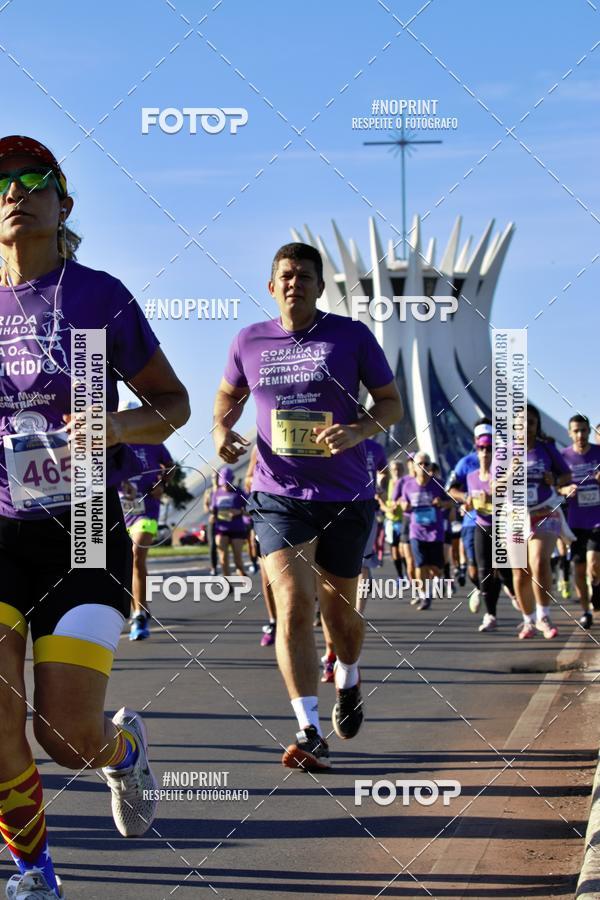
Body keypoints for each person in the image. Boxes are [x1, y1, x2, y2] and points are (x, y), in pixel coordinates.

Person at [0, 135, 190, 898]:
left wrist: (116, 427)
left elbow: (171, 404)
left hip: (81, 533)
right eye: (3, 181)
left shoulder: (98, 296)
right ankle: (33, 873)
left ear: (63, 204)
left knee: (65, 737)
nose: (17, 190)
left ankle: (122, 752)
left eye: (35, 179)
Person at [213, 242, 402, 771]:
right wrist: (221, 429)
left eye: (304, 276)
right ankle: (308, 727)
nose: (294, 283)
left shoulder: (351, 336)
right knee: (294, 606)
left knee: (341, 618)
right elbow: (227, 397)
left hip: (346, 493)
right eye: (285, 275)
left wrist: (360, 428)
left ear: (321, 286)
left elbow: (391, 403)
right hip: (279, 493)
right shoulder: (248, 340)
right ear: (271, 285)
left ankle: (349, 675)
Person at [506, 404, 571, 640]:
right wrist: (509, 473)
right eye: (522, 422)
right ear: (515, 426)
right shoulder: (504, 452)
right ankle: (528, 620)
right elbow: (494, 488)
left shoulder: (546, 449)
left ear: (536, 426)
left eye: (531, 422)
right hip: (515, 516)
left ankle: (544, 615)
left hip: (544, 511)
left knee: (539, 561)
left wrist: (553, 478)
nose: (526, 426)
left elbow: (566, 475)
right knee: (520, 572)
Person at [119, 428, 174, 640]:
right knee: (122, 564)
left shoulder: (153, 441)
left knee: (136, 555)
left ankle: (139, 615)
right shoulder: (113, 444)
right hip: (121, 511)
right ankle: (140, 604)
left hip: (147, 511)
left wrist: (162, 484)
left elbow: (170, 466)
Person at [465, 433, 513, 632]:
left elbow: (508, 501)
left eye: (489, 449)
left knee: (504, 570)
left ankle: (514, 592)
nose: (485, 452)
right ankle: (491, 614)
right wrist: (469, 503)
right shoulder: (471, 477)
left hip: (501, 526)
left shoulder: (499, 476)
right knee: (484, 571)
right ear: (476, 451)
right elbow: (470, 500)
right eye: (481, 448)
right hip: (482, 525)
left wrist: (492, 499)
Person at [446, 419, 493, 613]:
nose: (484, 447)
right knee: (474, 569)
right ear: (475, 441)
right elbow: (451, 489)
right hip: (472, 521)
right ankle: (479, 589)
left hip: (499, 522)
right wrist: (466, 497)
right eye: (481, 442)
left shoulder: (503, 462)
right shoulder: (466, 463)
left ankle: (493, 608)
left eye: (489, 443)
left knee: (494, 567)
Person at [398, 451, 453, 610]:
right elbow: (403, 503)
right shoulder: (408, 485)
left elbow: (451, 502)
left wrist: (442, 503)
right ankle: (424, 596)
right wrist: (404, 506)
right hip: (416, 531)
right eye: (419, 463)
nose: (423, 467)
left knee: (436, 569)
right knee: (420, 564)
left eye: (426, 464)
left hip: (435, 532)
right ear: (414, 466)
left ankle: (437, 581)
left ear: (430, 466)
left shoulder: (439, 483)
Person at [560, 414, 600, 629]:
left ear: (588, 431)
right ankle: (586, 611)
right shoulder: (563, 457)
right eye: (576, 431)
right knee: (579, 569)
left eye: (584, 430)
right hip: (574, 521)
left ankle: (597, 585)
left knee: (593, 563)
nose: (580, 435)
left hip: (598, 519)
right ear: (570, 433)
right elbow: (555, 485)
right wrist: (565, 489)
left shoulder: (598, 453)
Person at [211, 466, 248, 578]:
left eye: (227, 483)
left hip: (237, 529)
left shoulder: (239, 492)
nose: (226, 485)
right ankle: (227, 581)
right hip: (221, 529)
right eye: (223, 483)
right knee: (223, 557)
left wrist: (239, 512)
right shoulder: (216, 493)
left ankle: (240, 571)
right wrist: (213, 515)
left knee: (237, 558)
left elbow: (251, 511)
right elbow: (213, 510)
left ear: (232, 479)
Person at [203, 471, 220, 575]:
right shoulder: (209, 491)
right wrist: (210, 509)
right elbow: (205, 506)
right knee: (212, 545)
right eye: (214, 477)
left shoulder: (223, 490)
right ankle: (213, 567)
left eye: (217, 477)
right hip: (212, 521)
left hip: (224, 521)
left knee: (223, 546)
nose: (216, 479)